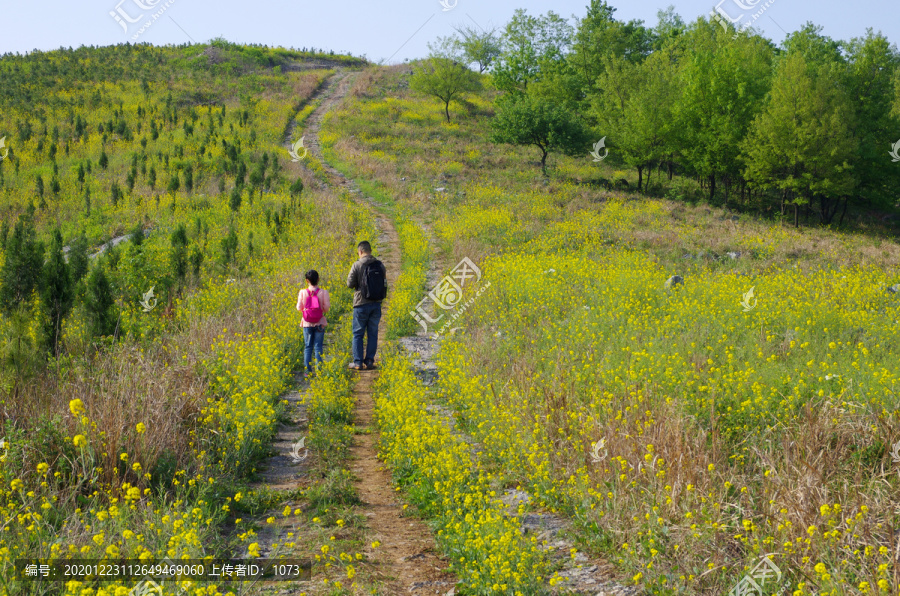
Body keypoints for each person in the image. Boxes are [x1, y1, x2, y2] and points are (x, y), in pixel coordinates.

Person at [346, 241, 387, 370]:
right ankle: (369, 361)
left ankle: (357, 362)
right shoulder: (380, 265)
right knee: (373, 333)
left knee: (358, 334)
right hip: (376, 304)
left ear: (360, 251)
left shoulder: (357, 264)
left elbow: (349, 283)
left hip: (361, 304)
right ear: (370, 250)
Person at [296, 269, 330, 375]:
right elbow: (326, 308)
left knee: (308, 347)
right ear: (318, 279)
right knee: (318, 346)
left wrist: (306, 310)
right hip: (319, 322)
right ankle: (319, 371)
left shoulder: (302, 292)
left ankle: (307, 371)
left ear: (307, 280)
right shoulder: (323, 292)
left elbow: (299, 307)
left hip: (307, 324)